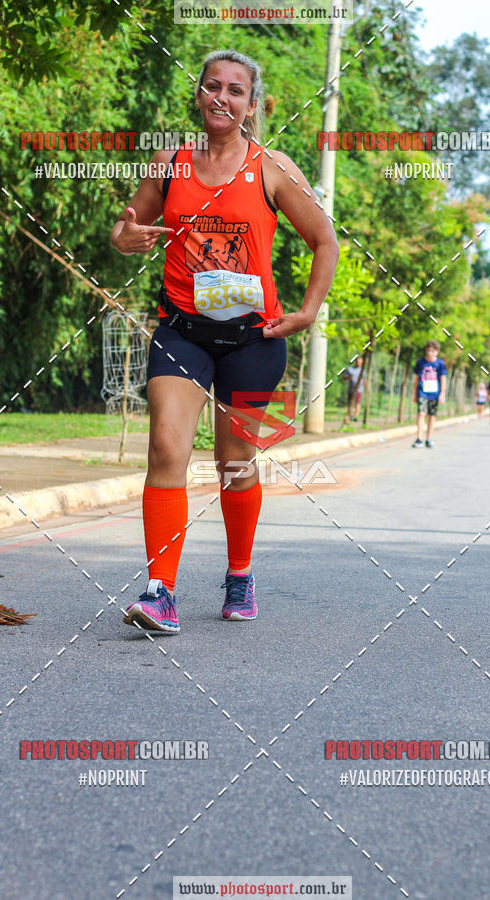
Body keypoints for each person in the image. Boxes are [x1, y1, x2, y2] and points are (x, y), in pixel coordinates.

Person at [109, 49, 339, 633]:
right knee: (166, 446)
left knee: (235, 462)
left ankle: (240, 573)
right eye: (213, 86)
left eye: (236, 90)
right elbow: (126, 227)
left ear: (252, 105)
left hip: (253, 339)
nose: (222, 97)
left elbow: (325, 240)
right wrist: (127, 238)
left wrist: (309, 311)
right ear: (199, 96)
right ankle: (161, 590)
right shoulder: (171, 164)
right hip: (181, 331)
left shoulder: (272, 168)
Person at [411, 340, 447, 448]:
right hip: (422, 392)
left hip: (435, 393)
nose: (430, 352)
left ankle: (429, 438)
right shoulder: (420, 363)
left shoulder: (440, 364)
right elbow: (416, 379)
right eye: (428, 350)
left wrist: (442, 393)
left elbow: (443, 378)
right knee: (421, 414)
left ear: (437, 351)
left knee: (431, 416)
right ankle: (419, 438)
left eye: (433, 350)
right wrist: (414, 394)